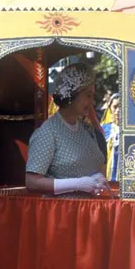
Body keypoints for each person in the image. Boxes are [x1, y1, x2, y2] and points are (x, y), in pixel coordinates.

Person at [26, 63, 109, 198]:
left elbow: (98, 165)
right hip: (62, 213)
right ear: (72, 94)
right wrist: (75, 184)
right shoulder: (48, 132)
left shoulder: (88, 130)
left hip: (91, 212)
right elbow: (32, 182)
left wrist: (98, 177)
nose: (92, 102)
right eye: (88, 95)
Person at [101, 93, 120, 182]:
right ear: (110, 109)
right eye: (115, 107)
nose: (118, 110)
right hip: (106, 179)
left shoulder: (133, 131)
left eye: (121, 107)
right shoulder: (104, 130)